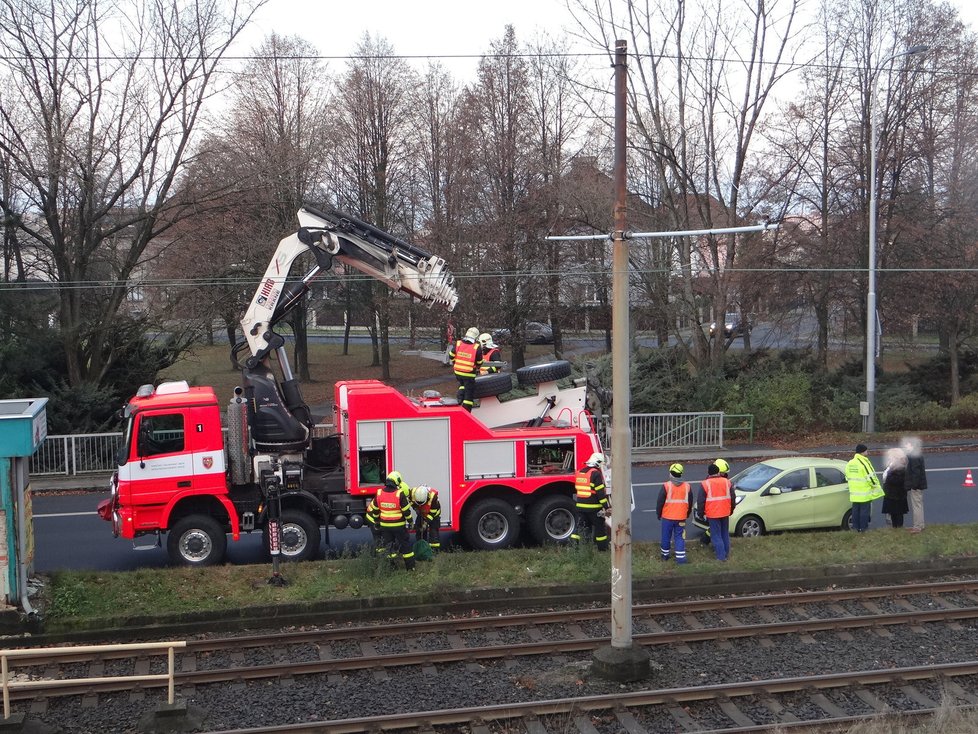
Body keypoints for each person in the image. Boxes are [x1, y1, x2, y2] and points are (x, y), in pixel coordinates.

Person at [366, 471, 416, 570]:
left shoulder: (379, 493)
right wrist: (410, 522)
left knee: (389, 547)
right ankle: (410, 568)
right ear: (397, 482)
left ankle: (391, 568)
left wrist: (376, 521)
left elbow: (375, 510)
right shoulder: (399, 494)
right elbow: (406, 511)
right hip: (399, 527)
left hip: (385, 527)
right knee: (406, 547)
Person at [570, 452, 610, 551]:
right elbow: (600, 493)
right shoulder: (595, 473)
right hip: (593, 509)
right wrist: (606, 507)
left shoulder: (580, 472)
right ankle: (602, 549)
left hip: (580, 507)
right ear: (598, 462)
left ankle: (574, 548)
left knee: (580, 528)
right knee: (600, 529)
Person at [698, 463, 734, 561]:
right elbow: (732, 498)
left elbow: (701, 501)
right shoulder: (727, 482)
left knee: (716, 535)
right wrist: (731, 510)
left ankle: (721, 557)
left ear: (709, 473)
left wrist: (700, 514)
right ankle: (726, 553)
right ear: (718, 472)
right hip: (725, 512)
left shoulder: (705, 484)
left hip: (713, 513)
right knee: (724, 533)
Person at [656, 463, 691, 564]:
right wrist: (687, 514)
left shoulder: (666, 486)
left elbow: (660, 502)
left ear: (671, 473)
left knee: (666, 536)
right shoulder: (687, 486)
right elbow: (690, 502)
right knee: (680, 537)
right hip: (681, 517)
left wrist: (659, 514)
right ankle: (681, 558)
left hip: (667, 517)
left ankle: (665, 556)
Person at [845, 444, 883, 532]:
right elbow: (871, 477)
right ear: (862, 452)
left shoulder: (850, 463)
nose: (867, 452)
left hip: (854, 493)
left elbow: (847, 476)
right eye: (866, 451)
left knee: (855, 511)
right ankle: (863, 528)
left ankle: (855, 527)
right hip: (864, 493)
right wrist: (876, 486)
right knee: (864, 512)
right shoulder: (864, 462)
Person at [449, 327, 484, 412]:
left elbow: (451, 355)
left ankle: (459, 399)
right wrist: (477, 366)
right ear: (476, 337)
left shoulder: (458, 343)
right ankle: (466, 412)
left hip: (458, 372)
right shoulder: (476, 347)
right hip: (469, 374)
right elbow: (479, 362)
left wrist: (455, 363)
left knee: (462, 385)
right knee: (469, 394)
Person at [904, 437, 928, 533]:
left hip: (916, 486)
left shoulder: (913, 456)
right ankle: (920, 525)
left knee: (916, 505)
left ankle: (917, 526)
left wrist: (913, 485)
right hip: (918, 484)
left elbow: (916, 472)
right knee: (918, 505)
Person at [881, 447, 909, 528]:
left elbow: (897, 480)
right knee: (893, 513)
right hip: (892, 493)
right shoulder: (892, 466)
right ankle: (895, 527)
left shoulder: (900, 468)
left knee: (898, 514)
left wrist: (889, 477)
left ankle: (898, 528)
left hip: (897, 494)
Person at [411, 484, 442, 551]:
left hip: (434, 515)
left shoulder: (433, 497)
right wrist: (415, 508)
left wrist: (425, 523)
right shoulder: (412, 493)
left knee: (433, 533)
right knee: (419, 529)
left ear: (427, 497)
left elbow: (432, 513)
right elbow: (410, 501)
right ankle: (421, 548)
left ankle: (434, 550)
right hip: (422, 513)